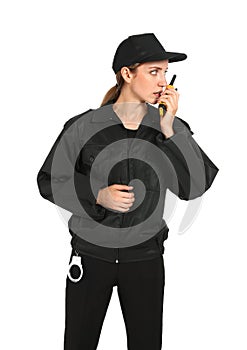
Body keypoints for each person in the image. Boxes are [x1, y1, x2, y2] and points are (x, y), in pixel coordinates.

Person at [37, 33, 219, 350]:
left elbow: (195, 187)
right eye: (154, 71)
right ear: (127, 73)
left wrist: (169, 130)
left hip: (145, 260)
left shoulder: (171, 127)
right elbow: (50, 179)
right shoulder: (83, 127)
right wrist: (97, 195)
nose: (163, 81)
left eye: (166, 72)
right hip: (90, 258)